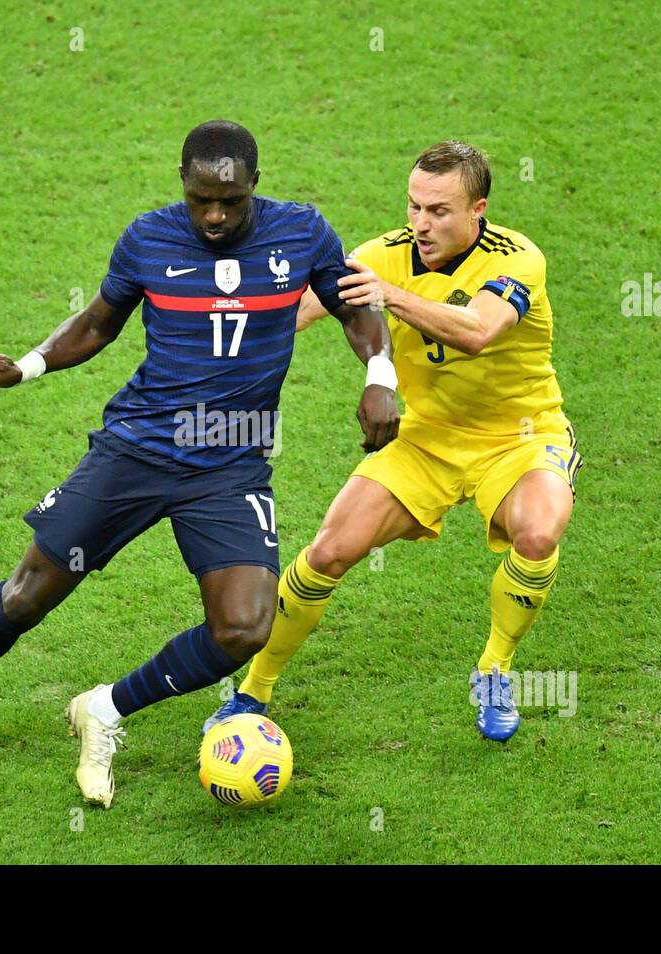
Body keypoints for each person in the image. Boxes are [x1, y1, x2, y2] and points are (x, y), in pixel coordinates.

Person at [0, 120, 399, 806]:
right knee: (27, 594)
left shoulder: (304, 233)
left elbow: (357, 309)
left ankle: (104, 710)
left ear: (254, 186)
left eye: (230, 201)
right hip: (136, 449)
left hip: (229, 465)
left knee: (242, 628)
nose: (215, 215)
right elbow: (96, 324)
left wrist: (380, 374)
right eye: (202, 198)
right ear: (183, 183)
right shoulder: (149, 238)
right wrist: (21, 368)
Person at [206, 140, 582, 742]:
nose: (421, 224)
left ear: (478, 210)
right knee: (328, 552)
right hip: (426, 438)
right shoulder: (380, 256)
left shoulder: (519, 259)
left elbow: (480, 331)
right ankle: (253, 690)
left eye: (439, 211)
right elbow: (295, 311)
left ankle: (494, 669)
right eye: (414, 207)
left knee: (538, 531)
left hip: (520, 438)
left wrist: (392, 296)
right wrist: (218, 344)